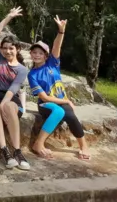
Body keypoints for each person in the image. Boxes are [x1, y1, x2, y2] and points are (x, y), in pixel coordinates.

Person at [28, 15, 90, 160]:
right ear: (31, 54)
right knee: (59, 109)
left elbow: (57, 46)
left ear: (45, 55)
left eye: (40, 53)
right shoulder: (32, 74)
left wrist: (61, 31)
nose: (37, 55)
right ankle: (38, 143)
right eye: (34, 52)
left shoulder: (53, 64)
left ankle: (84, 146)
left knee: (68, 114)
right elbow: (43, 97)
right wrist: (66, 101)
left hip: (61, 101)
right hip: (45, 104)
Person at [0, 6, 31, 171]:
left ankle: (17, 151)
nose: (8, 51)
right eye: (5, 48)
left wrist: (5, 103)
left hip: (11, 97)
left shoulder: (22, 69)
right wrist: (8, 17)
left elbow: (13, 89)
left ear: (17, 49)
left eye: (11, 48)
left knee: (9, 106)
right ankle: (5, 151)